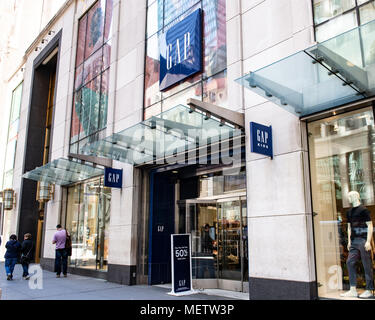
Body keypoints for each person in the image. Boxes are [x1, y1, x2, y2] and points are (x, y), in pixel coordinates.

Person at [340, 191, 374, 299]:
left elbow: (369, 225)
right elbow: (349, 227)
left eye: (350, 196)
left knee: (366, 264)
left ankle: (369, 290)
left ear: (356, 196)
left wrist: (368, 241)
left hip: (363, 240)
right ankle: (353, 289)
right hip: (354, 241)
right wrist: (349, 241)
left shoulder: (364, 210)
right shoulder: (349, 212)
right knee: (350, 262)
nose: (348, 198)